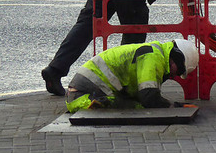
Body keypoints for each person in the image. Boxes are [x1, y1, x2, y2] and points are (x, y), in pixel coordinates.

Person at [65, 39, 199, 113]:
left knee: (134, 106)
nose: (174, 76)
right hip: (84, 97)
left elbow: (142, 98)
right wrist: (174, 107)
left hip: (85, 91)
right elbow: (149, 97)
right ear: (176, 57)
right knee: (130, 107)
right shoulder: (153, 58)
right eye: (179, 70)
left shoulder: (155, 53)